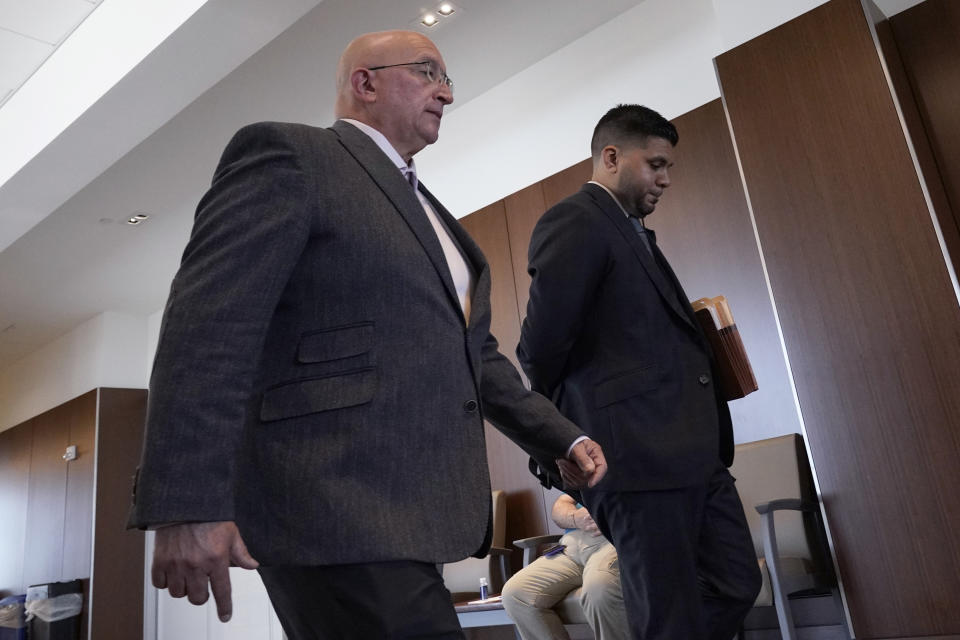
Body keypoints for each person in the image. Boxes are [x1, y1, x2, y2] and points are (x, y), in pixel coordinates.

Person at [128, 30, 608, 640]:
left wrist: (558, 436)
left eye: (449, 80)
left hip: (408, 514)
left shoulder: (430, 214)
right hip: (330, 499)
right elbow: (208, 327)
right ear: (365, 82)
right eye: (429, 72)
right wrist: (186, 501)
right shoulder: (289, 155)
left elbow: (473, 355)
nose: (447, 93)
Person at [517, 104, 761, 639]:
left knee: (735, 583)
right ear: (611, 157)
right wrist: (564, 446)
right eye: (655, 164)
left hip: (693, 457)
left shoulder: (632, 231)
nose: (665, 179)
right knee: (667, 612)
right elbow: (539, 352)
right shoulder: (576, 220)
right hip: (636, 461)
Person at [502, 494, 628, 640]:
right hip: (570, 545)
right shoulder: (584, 474)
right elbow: (560, 506)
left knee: (598, 588)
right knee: (515, 593)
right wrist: (575, 517)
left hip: (611, 539)